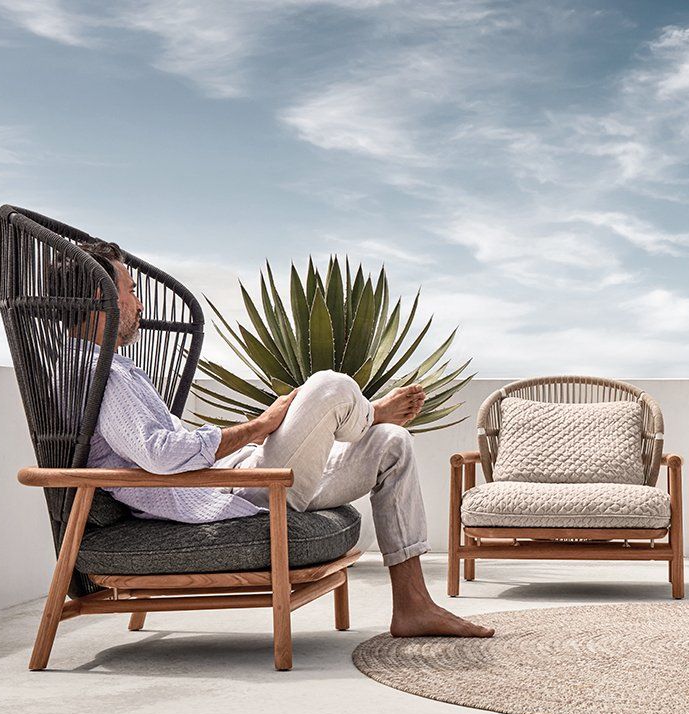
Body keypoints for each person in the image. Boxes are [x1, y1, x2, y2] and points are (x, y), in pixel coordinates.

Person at [70, 240, 491, 639]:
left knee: (391, 442)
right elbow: (160, 455)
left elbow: (159, 446)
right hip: (229, 496)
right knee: (330, 386)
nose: (139, 303)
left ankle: (413, 606)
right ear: (98, 297)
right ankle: (366, 413)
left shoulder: (106, 367)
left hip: (236, 477)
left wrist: (257, 436)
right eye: (129, 291)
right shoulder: (98, 371)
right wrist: (261, 425)